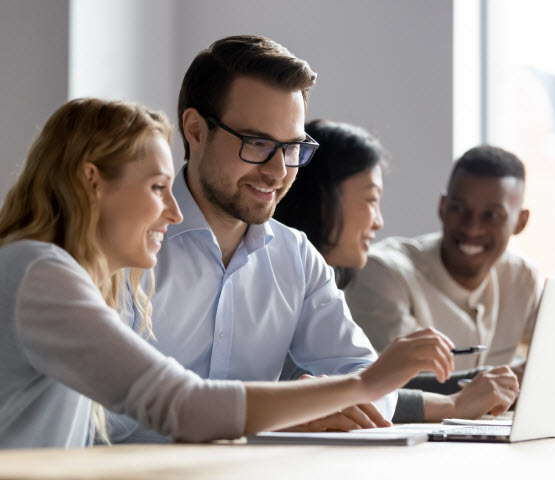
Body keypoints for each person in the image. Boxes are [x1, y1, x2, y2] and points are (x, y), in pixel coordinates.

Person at [0, 97, 458, 449]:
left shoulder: (65, 275)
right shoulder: (38, 273)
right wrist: (365, 383)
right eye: (158, 187)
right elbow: (183, 406)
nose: (175, 213)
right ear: (91, 181)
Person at [105, 35, 407, 443]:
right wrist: (276, 414)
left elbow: (369, 380)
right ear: (195, 130)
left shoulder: (296, 256)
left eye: (292, 147)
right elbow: (98, 416)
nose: (278, 170)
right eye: (258, 143)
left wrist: (315, 404)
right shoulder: (120, 247)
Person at [275, 121, 519, 423]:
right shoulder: (278, 279)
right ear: (324, 200)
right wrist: (454, 405)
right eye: (372, 200)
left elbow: (364, 384)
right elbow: (344, 389)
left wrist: (487, 384)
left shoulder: (320, 282)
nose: (378, 221)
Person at [345, 145, 542, 375]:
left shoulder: (522, 277)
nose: (472, 227)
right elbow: (406, 385)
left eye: (492, 215)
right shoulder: (382, 272)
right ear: (442, 207)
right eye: (459, 209)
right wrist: (521, 381)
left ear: (521, 222)